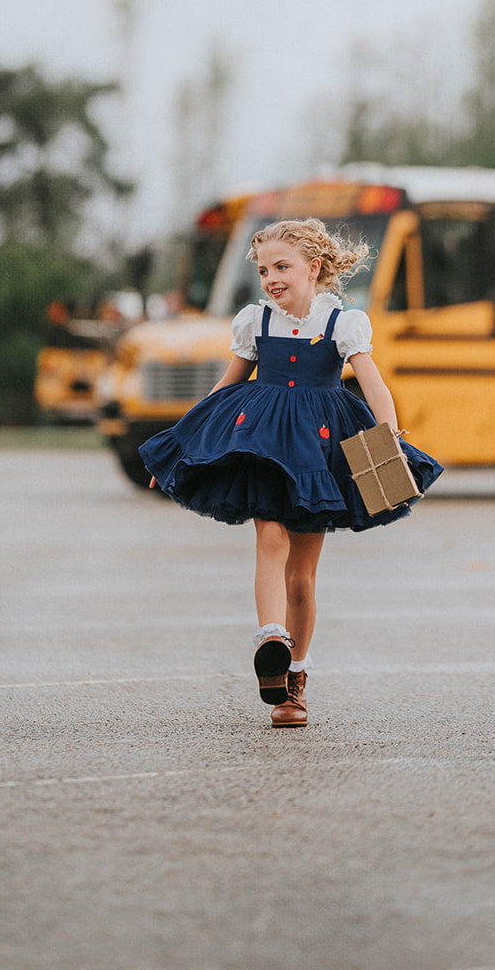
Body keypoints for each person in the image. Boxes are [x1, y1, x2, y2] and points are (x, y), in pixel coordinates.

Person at [139, 217, 442, 728]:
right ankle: (272, 641)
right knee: (270, 537)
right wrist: (182, 448)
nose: (271, 278)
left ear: (314, 267)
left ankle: (294, 682)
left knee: (302, 575)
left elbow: (375, 388)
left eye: (282, 266)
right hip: (263, 446)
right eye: (262, 270)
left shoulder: (342, 323)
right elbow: (223, 389)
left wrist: (388, 444)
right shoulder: (255, 322)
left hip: (318, 452)